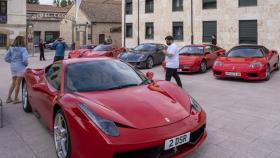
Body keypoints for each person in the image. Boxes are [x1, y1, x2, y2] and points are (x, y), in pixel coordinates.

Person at [4, 36, 29, 104]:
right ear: (22, 41)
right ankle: (15, 99)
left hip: (13, 67)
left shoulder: (11, 48)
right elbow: (24, 60)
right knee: (18, 83)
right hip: (20, 67)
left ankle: (8, 98)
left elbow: (6, 58)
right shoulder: (23, 49)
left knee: (13, 82)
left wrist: (12, 61)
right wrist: (26, 64)